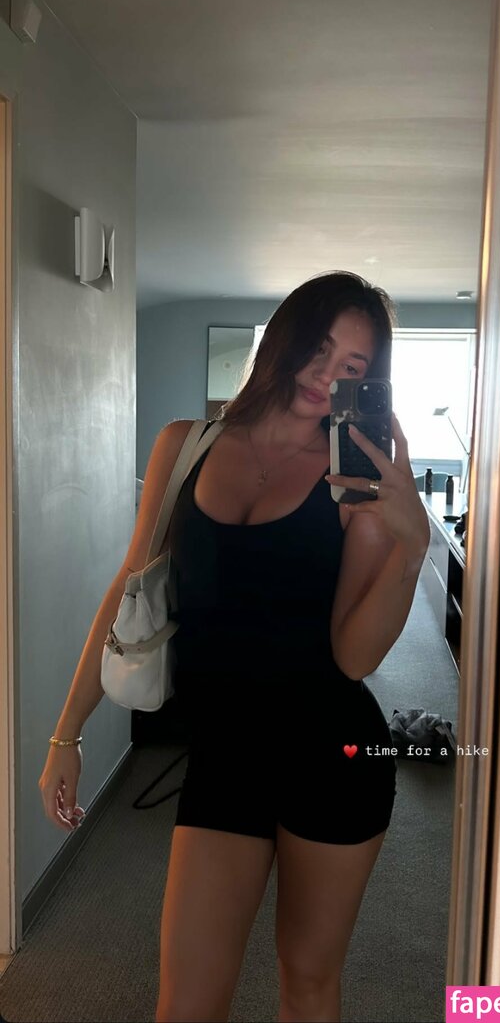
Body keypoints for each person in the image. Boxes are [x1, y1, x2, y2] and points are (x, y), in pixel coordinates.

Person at [39, 270, 431, 1023]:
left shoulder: (353, 480)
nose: (325, 374)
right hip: (224, 757)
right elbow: (128, 589)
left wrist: (410, 551)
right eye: (318, 347)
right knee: (184, 1004)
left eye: (351, 366)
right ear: (284, 337)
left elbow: (354, 658)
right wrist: (68, 731)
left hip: (331, 761)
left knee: (307, 985)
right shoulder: (185, 446)